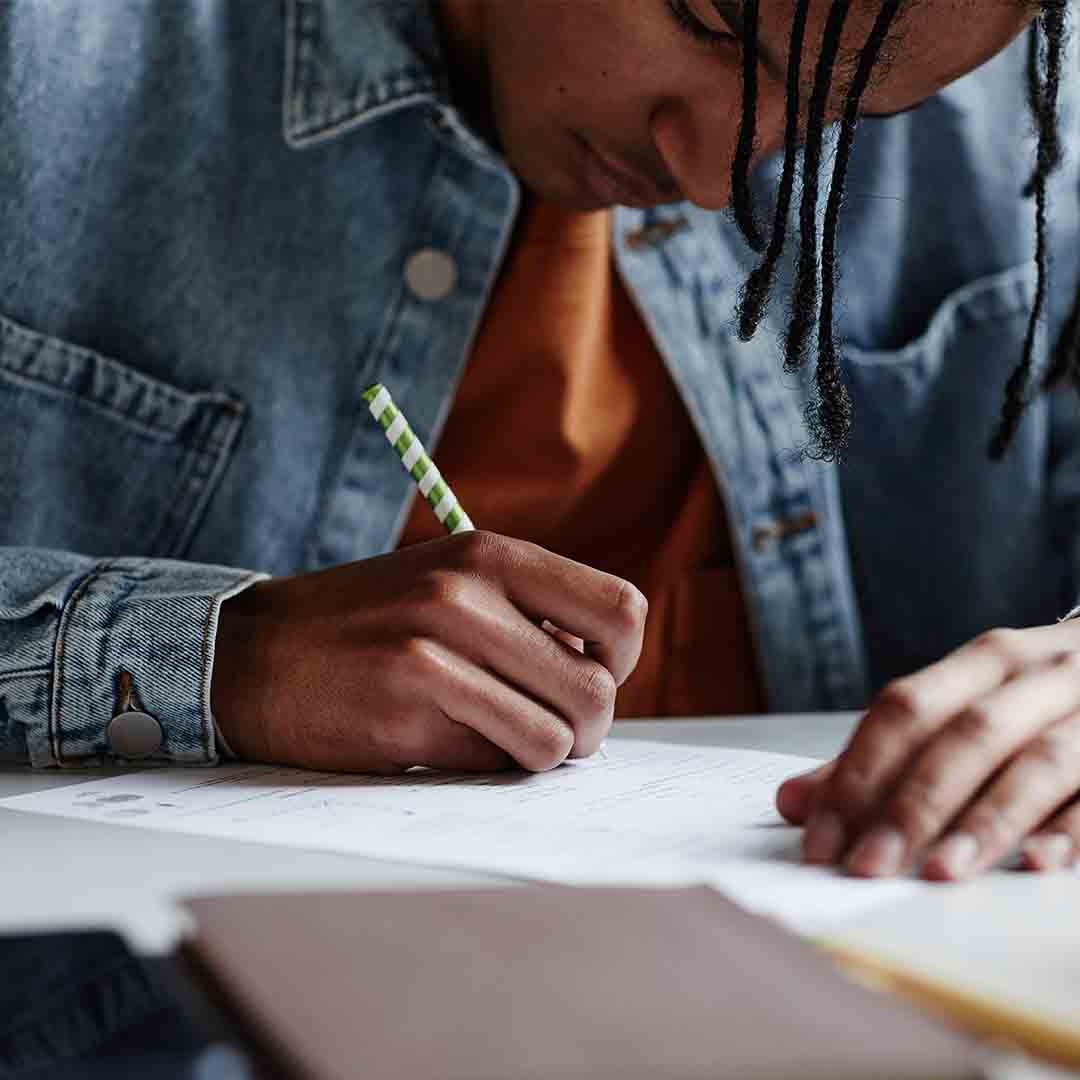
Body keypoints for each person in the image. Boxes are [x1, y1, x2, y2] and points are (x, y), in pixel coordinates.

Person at [2, 0, 1078, 885]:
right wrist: (222, 661)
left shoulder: (1024, 104)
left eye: (849, 119)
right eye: (709, 28)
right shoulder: (57, 53)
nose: (715, 178)